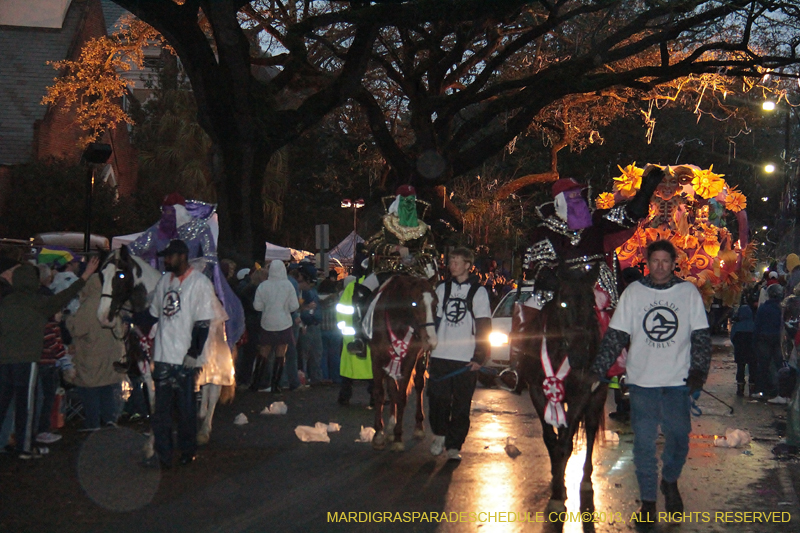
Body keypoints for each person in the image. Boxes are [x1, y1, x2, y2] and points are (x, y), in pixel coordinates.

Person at [591, 240, 711, 521]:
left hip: (677, 382)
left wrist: (698, 373)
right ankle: (647, 503)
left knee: (679, 438)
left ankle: (669, 480)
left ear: (673, 263)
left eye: (665, 261)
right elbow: (616, 335)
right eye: (655, 261)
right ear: (647, 262)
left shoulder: (687, 293)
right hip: (642, 383)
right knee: (644, 444)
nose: (660, 266)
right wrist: (598, 370)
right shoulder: (634, 292)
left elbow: (701, 337)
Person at [0, 256, 99, 459]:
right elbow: (66, 295)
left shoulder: (6, 301)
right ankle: (24, 447)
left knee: (3, 404)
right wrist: (86, 275)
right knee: (25, 407)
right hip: (27, 361)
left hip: (4, 361)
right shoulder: (39, 303)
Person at [146, 240, 217, 468]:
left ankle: (187, 450)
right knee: (162, 411)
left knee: (186, 409)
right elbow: (154, 313)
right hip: (164, 355)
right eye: (165, 257)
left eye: (170, 256)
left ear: (182, 256)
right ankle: (163, 454)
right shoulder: (163, 282)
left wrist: (194, 352)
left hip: (185, 358)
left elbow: (203, 322)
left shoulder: (200, 283)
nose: (166, 260)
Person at [428, 247, 491, 461]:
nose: (452, 264)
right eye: (450, 260)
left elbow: (483, 326)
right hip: (440, 355)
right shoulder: (442, 288)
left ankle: (454, 445)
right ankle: (439, 434)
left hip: (465, 360)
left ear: (467, 265)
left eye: (457, 261)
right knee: (437, 400)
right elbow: (434, 321)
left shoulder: (479, 292)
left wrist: (479, 357)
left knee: (461, 405)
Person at [66, 275, 125, 430]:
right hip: (111, 355)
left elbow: (78, 329)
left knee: (90, 389)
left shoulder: (89, 304)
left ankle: (92, 423)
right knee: (107, 388)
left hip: (92, 355)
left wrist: (69, 319)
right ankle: (110, 419)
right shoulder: (111, 302)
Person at [252, 260, 300, 393]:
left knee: (264, 352)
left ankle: (255, 383)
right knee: (281, 353)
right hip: (284, 323)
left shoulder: (263, 286)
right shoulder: (288, 285)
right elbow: (294, 306)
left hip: (267, 322)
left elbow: (257, 306)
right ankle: (276, 385)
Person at [754, 283, 786, 402]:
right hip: (778, 339)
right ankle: (780, 392)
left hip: (764, 339)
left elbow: (757, 325)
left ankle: (762, 391)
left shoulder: (763, 308)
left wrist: (755, 341)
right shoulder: (782, 308)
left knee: (763, 365)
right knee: (779, 365)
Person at [730, 304, 756, 397]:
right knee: (752, 370)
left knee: (740, 369)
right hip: (752, 351)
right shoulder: (754, 325)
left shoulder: (737, 326)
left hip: (740, 351)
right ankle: (752, 389)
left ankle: (740, 389)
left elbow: (732, 338)